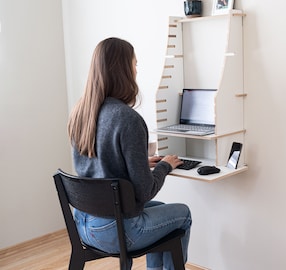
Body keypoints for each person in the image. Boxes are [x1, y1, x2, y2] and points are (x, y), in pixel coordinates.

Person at [67, 37, 192, 270]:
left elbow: (99, 165)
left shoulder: (80, 112)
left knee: (162, 206)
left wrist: (140, 162)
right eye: (135, 64)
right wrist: (165, 165)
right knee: (182, 214)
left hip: (84, 225)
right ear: (123, 70)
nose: (136, 70)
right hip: (116, 231)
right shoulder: (128, 119)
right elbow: (145, 192)